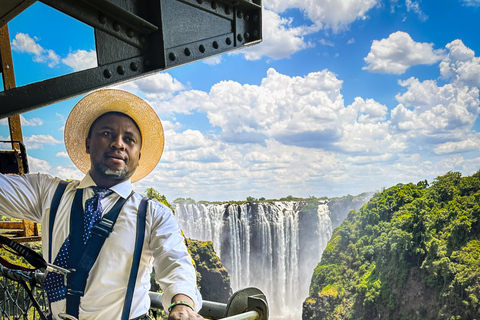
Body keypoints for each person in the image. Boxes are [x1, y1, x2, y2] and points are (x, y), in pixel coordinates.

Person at [0, 89, 203, 320]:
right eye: (107, 133)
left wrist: (182, 303)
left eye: (129, 139)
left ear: (138, 155)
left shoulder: (153, 215)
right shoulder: (48, 193)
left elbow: (176, 262)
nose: (118, 144)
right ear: (87, 144)